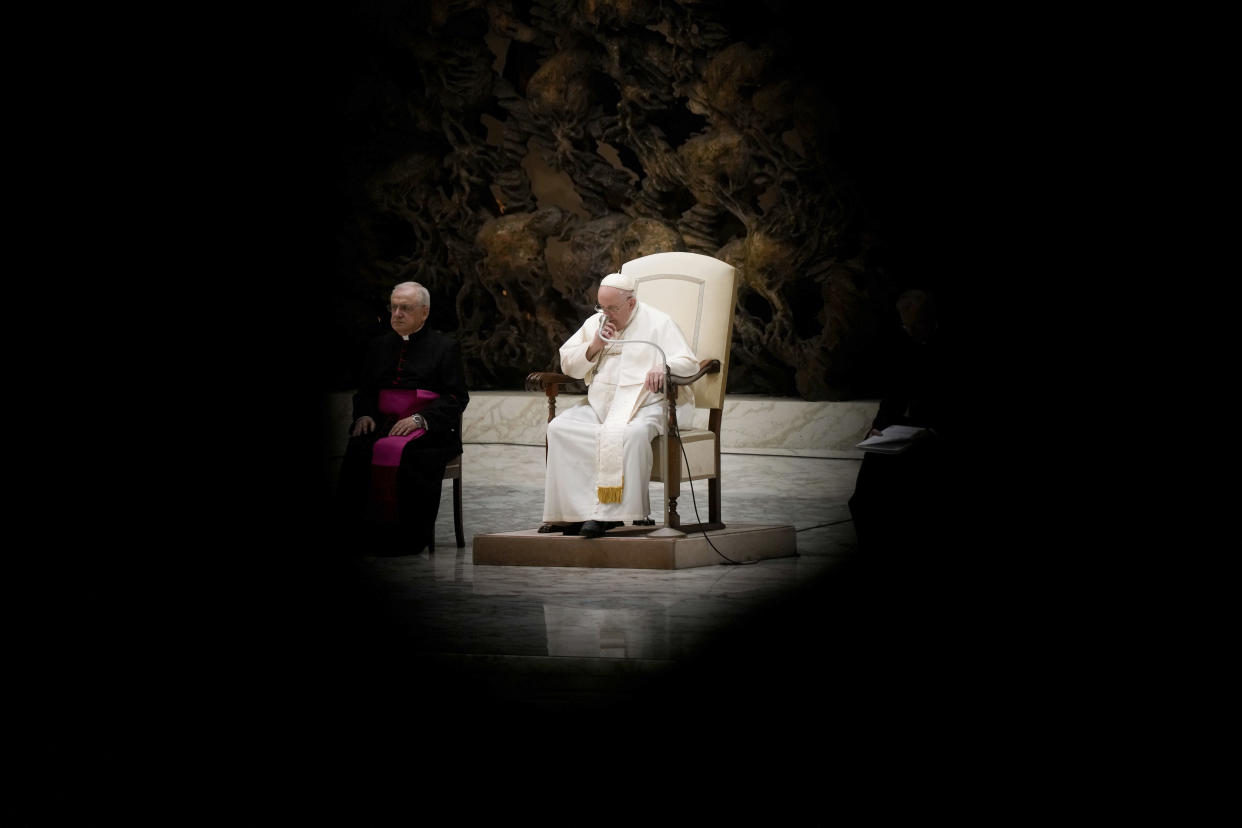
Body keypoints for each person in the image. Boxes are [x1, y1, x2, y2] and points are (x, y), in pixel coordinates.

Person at [542, 272, 700, 537]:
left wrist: (664, 366)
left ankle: (611, 516)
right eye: (601, 307)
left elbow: (689, 361)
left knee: (632, 434)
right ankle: (572, 514)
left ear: (631, 302)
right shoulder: (596, 324)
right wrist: (594, 345)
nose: (606, 314)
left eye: (612, 308)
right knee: (559, 428)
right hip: (601, 407)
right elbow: (568, 363)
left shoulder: (658, 323)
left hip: (647, 405)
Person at [336, 281, 469, 553]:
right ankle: (356, 536)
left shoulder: (444, 347)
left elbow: (456, 397)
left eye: (405, 308)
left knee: (411, 455)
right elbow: (366, 392)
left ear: (424, 312)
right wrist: (363, 415)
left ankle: (403, 540)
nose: (397, 314)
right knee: (359, 448)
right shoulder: (378, 346)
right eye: (394, 307)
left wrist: (420, 419)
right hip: (384, 424)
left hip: (429, 431)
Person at [848, 288, 964, 561]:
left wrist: (935, 432)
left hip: (937, 432)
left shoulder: (949, 348)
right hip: (905, 430)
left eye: (916, 325)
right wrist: (878, 428)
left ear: (931, 320)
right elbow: (893, 397)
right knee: (865, 497)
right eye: (905, 325)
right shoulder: (902, 345)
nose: (910, 331)